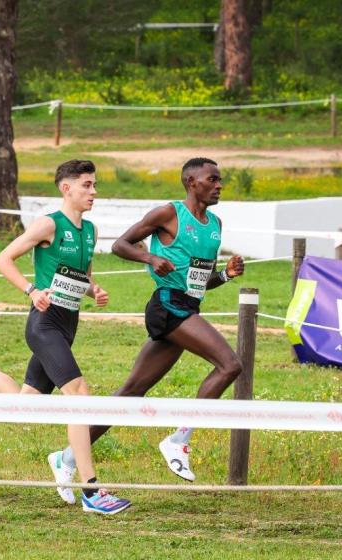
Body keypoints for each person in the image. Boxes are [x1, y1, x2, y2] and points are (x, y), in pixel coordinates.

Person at [0, 160, 131, 515]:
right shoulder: (49, 224)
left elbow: (81, 276)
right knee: (79, 395)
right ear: (66, 188)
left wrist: (93, 291)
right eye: (87, 185)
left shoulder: (91, 231)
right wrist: (31, 289)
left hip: (68, 325)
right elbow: (3, 259)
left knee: (25, 403)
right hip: (44, 324)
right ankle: (92, 491)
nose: (94, 192)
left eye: (95, 185)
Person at [93, 157, 246, 482]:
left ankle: (66, 457)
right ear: (191, 182)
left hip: (187, 306)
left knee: (132, 391)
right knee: (230, 365)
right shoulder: (169, 213)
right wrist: (150, 256)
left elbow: (199, 282)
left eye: (220, 180)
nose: (219, 185)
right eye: (212, 179)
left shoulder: (215, 225)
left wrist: (226, 275)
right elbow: (120, 244)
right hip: (167, 305)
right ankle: (180, 440)